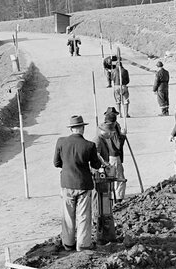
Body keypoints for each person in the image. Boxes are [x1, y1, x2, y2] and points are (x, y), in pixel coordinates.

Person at [54, 115, 107, 251]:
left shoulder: (61, 142)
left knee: (68, 215)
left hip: (66, 183)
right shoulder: (89, 145)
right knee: (83, 215)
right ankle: (83, 244)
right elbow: (95, 165)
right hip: (83, 184)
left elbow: (56, 163)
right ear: (82, 128)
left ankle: (68, 243)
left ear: (71, 128)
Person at [94, 107, 127, 200]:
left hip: (105, 156)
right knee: (118, 177)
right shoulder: (113, 128)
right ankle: (118, 198)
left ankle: (112, 197)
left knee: (109, 177)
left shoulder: (100, 126)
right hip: (113, 156)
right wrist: (123, 135)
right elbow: (118, 145)